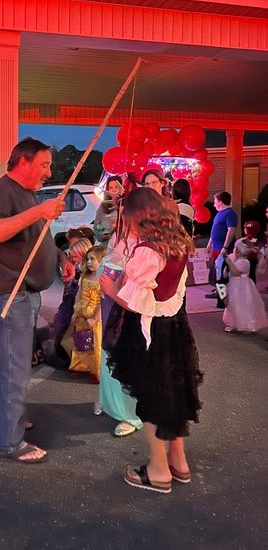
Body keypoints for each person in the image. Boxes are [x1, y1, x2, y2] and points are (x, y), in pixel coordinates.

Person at [0, 137, 75, 464]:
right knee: (15, 369)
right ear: (23, 162)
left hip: (25, 292)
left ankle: (3, 421)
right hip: (11, 293)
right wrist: (38, 211)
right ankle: (10, 442)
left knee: (15, 366)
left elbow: (35, 238)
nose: (49, 172)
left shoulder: (26, 193)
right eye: (44, 164)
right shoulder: (3, 191)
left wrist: (59, 257)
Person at [102, 187, 202, 494]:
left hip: (151, 332)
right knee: (173, 392)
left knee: (152, 396)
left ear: (139, 217)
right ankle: (178, 461)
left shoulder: (147, 251)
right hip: (175, 327)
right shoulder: (178, 241)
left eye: (128, 218)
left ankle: (158, 470)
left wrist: (110, 290)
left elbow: (136, 303)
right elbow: (176, 289)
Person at [96, 229, 143, 437]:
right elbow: (108, 258)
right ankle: (109, 401)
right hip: (109, 300)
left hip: (128, 303)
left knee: (127, 353)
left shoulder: (147, 236)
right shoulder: (119, 233)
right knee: (109, 351)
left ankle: (130, 413)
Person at [42, 237, 93, 368]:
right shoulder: (78, 269)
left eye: (75, 256)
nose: (72, 259)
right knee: (63, 330)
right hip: (70, 305)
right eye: (71, 256)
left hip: (79, 308)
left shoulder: (88, 273)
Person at [68, 245, 105, 382]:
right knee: (81, 340)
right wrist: (75, 312)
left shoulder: (103, 279)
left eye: (92, 259)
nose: (89, 262)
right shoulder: (85, 276)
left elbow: (102, 301)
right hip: (82, 313)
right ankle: (80, 366)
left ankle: (96, 370)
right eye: (88, 259)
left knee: (95, 343)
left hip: (95, 316)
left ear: (101, 260)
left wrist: (95, 318)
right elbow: (79, 294)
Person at [222, 240, 268, 333]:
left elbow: (236, 273)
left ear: (239, 251)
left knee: (243, 305)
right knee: (233, 305)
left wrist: (230, 263)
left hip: (241, 287)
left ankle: (246, 325)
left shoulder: (244, 262)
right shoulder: (238, 260)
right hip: (234, 286)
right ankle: (234, 323)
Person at [205, 191, 238, 299]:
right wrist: (210, 243)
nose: (214, 203)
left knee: (221, 271)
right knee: (216, 270)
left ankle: (222, 295)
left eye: (215, 201)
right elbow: (215, 229)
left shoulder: (230, 213)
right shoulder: (219, 214)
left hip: (222, 248)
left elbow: (231, 230)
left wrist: (225, 247)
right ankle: (218, 290)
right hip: (216, 247)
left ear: (220, 202)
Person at [94, 175, 124, 243]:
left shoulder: (127, 204)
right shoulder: (103, 206)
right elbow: (97, 228)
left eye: (116, 187)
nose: (114, 190)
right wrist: (103, 235)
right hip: (107, 245)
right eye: (111, 188)